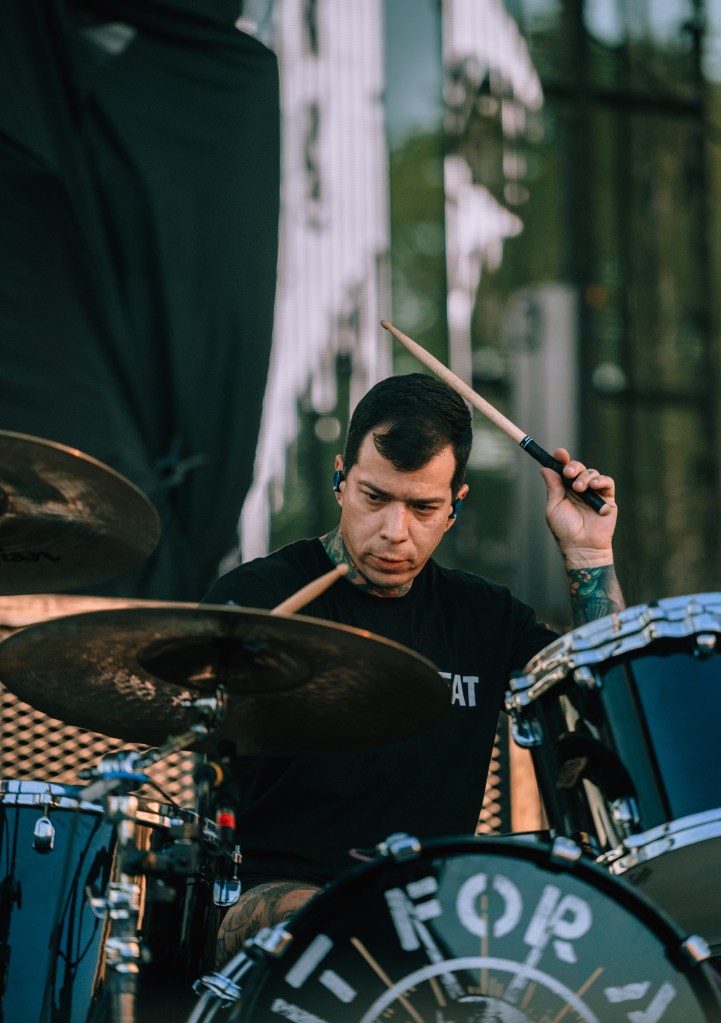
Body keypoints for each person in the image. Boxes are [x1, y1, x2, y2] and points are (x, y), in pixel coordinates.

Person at [203, 372, 624, 966]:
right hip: (272, 904)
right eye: (374, 498)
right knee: (353, 934)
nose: (394, 532)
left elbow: (606, 703)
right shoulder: (258, 600)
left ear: (455, 507)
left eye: (423, 507)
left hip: (436, 915)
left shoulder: (485, 617)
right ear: (341, 480)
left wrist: (588, 553)